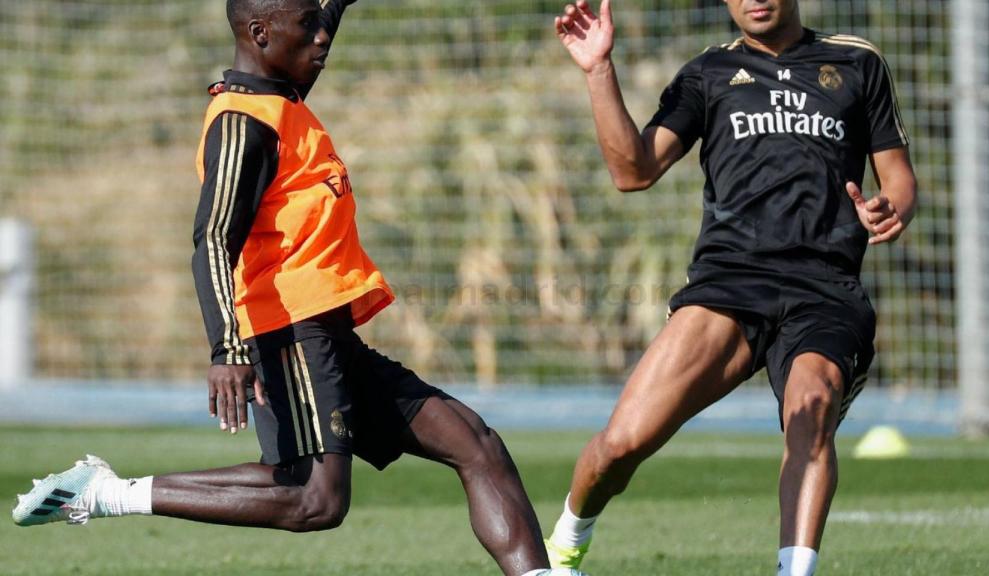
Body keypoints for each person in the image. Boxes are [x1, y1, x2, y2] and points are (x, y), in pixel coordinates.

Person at [12, 2, 583, 575]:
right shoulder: (242, 123)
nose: (323, 36)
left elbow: (321, 15)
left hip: (324, 327)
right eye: (308, 25)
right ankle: (104, 494)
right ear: (260, 34)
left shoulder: (280, 97)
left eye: (322, 20)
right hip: (287, 328)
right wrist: (227, 350)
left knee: (475, 445)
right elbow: (211, 241)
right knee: (316, 499)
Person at [545, 0, 917, 574]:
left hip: (825, 288)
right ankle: (566, 542)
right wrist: (598, 70)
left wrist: (891, 208)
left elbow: (898, 180)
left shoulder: (856, 62)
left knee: (812, 407)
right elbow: (633, 171)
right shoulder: (707, 73)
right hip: (728, 284)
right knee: (620, 446)